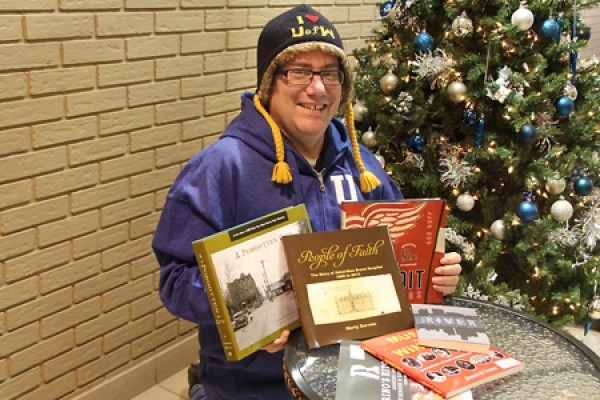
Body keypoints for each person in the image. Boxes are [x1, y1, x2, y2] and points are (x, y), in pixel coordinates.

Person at [152, 4, 462, 400]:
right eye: (298, 71)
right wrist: (253, 318)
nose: (317, 89)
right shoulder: (218, 170)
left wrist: (435, 274)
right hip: (253, 387)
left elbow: (402, 256)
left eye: (329, 73)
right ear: (269, 83)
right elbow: (176, 281)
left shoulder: (361, 164)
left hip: (356, 375)